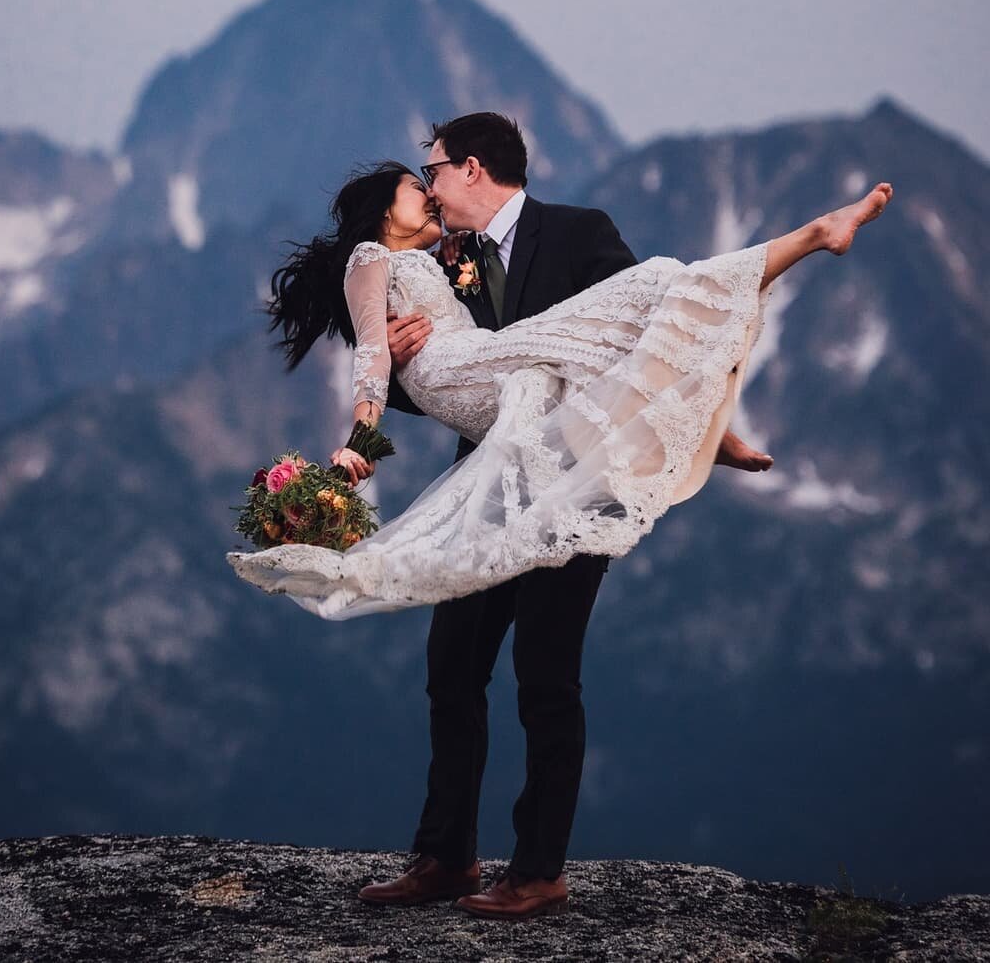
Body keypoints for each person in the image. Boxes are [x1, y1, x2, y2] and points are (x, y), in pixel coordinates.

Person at [228, 114, 893, 919]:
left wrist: (712, 437)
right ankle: (445, 858)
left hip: (573, 488)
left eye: (433, 168)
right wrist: (401, 366)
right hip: (490, 484)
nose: (428, 182)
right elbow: (435, 372)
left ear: (470, 169)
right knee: (452, 673)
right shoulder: (441, 255)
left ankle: (538, 870)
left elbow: (642, 351)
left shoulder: (580, 233)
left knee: (546, 680)